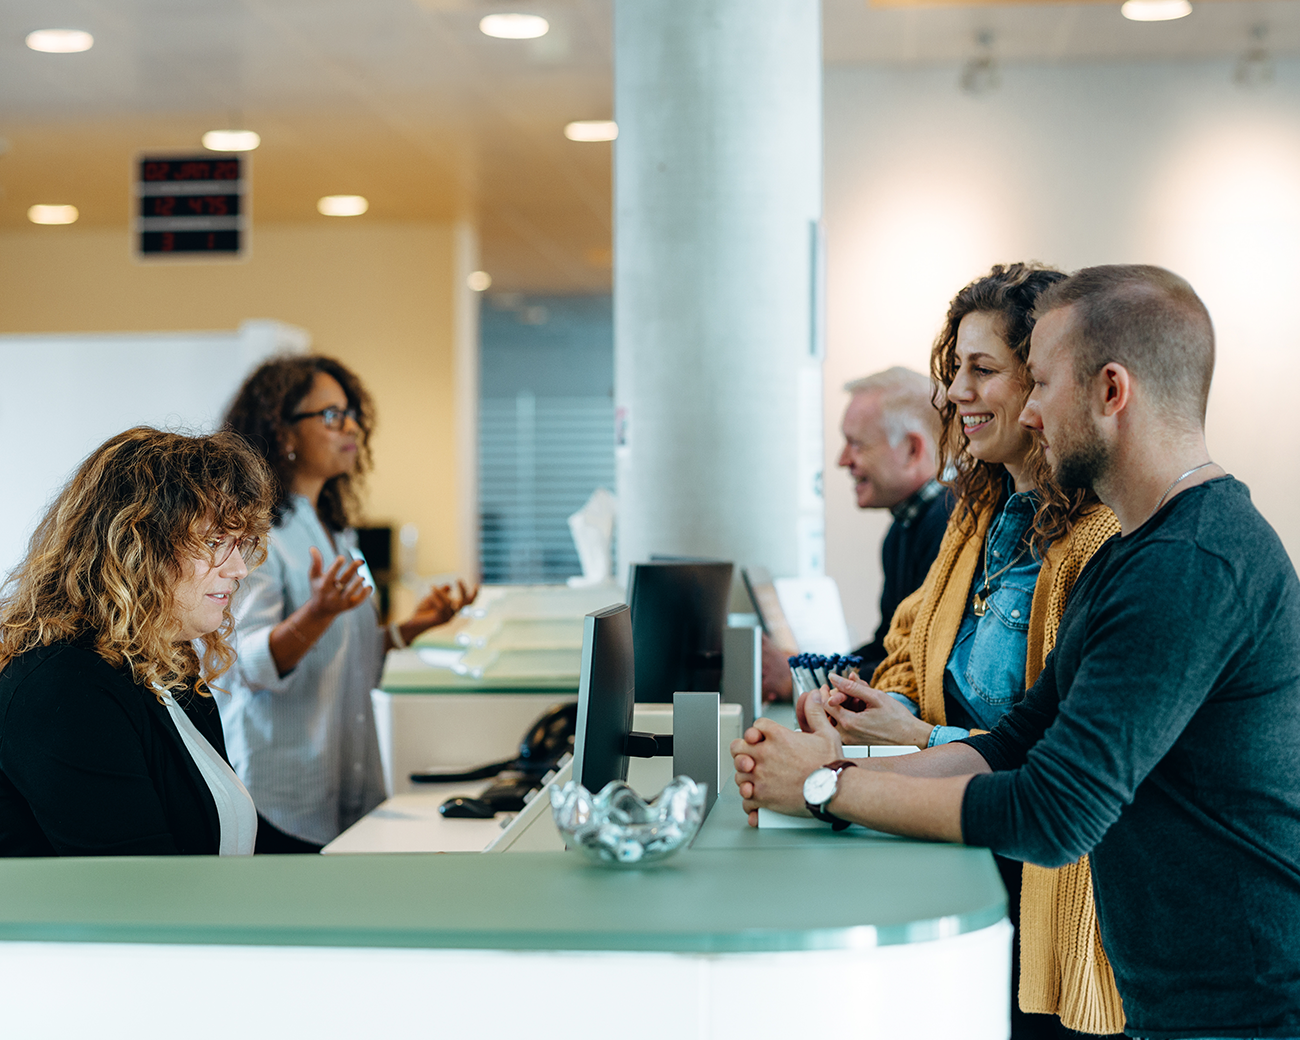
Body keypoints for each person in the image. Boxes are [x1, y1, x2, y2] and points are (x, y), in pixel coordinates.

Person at [734, 265, 1300, 1039]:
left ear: (1111, 391)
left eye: (1039, 382)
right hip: (1172, 998)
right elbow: (1008, 747)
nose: (1029, 412)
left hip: (1238, 1010)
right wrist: (825, 776)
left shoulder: (1192, 565)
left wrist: (825, 792)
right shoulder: (1134, 557)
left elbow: (1053, 809)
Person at [809, 264, 1123, 1038]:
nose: (955, 395)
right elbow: (908, 647)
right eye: (954, 373)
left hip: (1046, 879)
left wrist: (915, 740)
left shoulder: (1101, 541)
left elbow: (1062, 757)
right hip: (960, 836)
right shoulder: (974, 515)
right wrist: (887, 707)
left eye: (983, 370)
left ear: (1045, 383)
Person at [220, 355, 474, 853]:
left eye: (353, 413)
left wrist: (414, 627)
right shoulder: (258, 533)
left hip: (342, 780)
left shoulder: (336, 531)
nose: (352, 426)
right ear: (284, 432)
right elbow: (246, 664)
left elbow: (343, 655)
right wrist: (317, 613)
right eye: (332, 415)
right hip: (281, 792)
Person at [0, 427, 273, 856]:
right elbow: (139, 894)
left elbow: (223, 823)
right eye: (215, 541)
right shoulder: (64, 689)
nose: (239, 568)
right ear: (137, 547)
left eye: (240, 543)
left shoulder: (167, 662)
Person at [762, 366, 950, 699]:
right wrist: (805, 667)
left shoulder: (949, 528)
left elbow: (914, 667)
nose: (841, 460)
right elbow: (887, 648)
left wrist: (800, 679)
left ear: (912, 449)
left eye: (856, 444)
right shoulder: (903, 529)